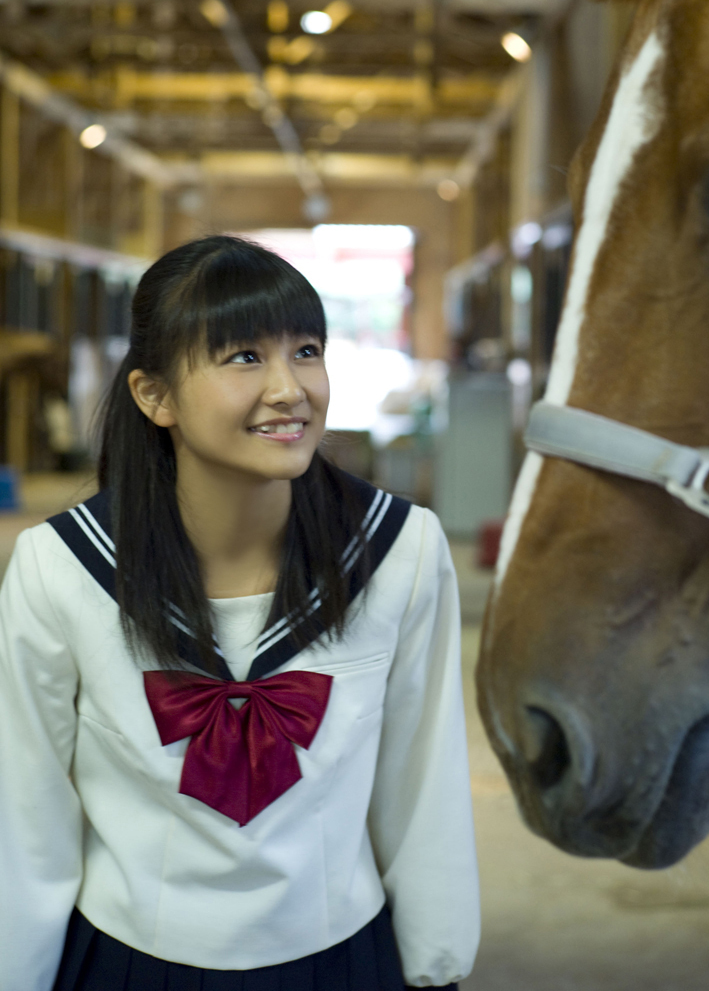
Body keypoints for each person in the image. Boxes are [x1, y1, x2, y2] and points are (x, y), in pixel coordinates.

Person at [0, 235, 480, 991]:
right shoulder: (63, 570)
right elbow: (26, 815)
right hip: (129, 961)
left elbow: (423, 785)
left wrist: (437, 963)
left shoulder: (399, 553)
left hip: (342, 957)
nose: (290, 389)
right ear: (153, 395)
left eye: (307, 350)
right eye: (244, 357)